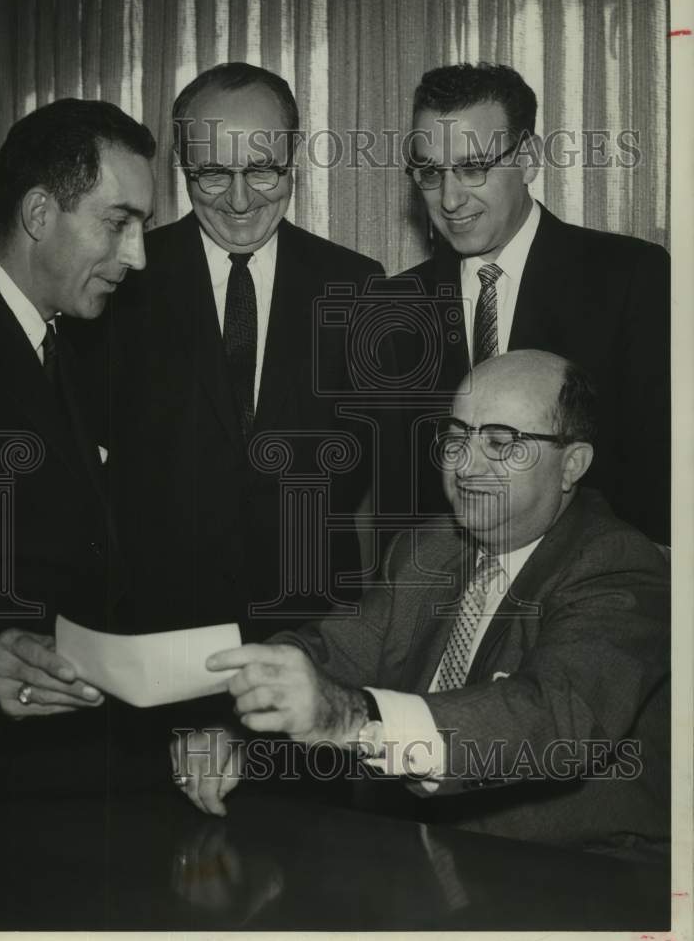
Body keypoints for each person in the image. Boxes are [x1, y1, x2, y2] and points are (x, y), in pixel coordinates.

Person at [172, 351, 670, 862]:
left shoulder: (618, 564)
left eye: (500, 443)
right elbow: (334, 650)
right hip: (415, 855)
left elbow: (553, 716)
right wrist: (244, 719)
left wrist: (351, 719)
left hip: (577, 876)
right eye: (456, 439)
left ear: (572, 464)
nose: (466, 466)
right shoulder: (429, 549)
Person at [76, 62, 391, 643]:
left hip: (312, 636)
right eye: (213, 173)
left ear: (293, 157)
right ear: (181, 167)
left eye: (264, 170)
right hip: (154, 636)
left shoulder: (360, 287)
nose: (241, 200)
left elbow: (386, 480)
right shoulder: (120, 283)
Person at [0, 98, 156, 795]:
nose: (136, 257)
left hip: (60, 768)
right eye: (118, 224)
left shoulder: (68, 337)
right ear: (40, 214)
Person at [396, 62, 670, 543]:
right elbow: (398, 500)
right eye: (430, 172)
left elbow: (660, 468)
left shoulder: (630, 277)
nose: (450, 198)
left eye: (473, 167)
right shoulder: (393, 304)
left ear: (528, 158)